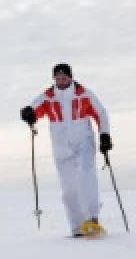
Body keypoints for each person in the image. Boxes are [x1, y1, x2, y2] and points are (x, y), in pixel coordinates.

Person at [21, 63, 113, 237]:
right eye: (58, 78)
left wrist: (105, 135)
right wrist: (28, 113)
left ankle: (92, 219)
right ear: (54, 79)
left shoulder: (84, 93)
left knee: (86, 176)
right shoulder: (48, 96)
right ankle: (77, 226)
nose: (61, 81)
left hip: (83, 141)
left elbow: (101, 113)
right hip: (61, 146)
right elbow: (33, 108)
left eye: (64, 77)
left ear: (71, 77)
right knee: (68, 188)